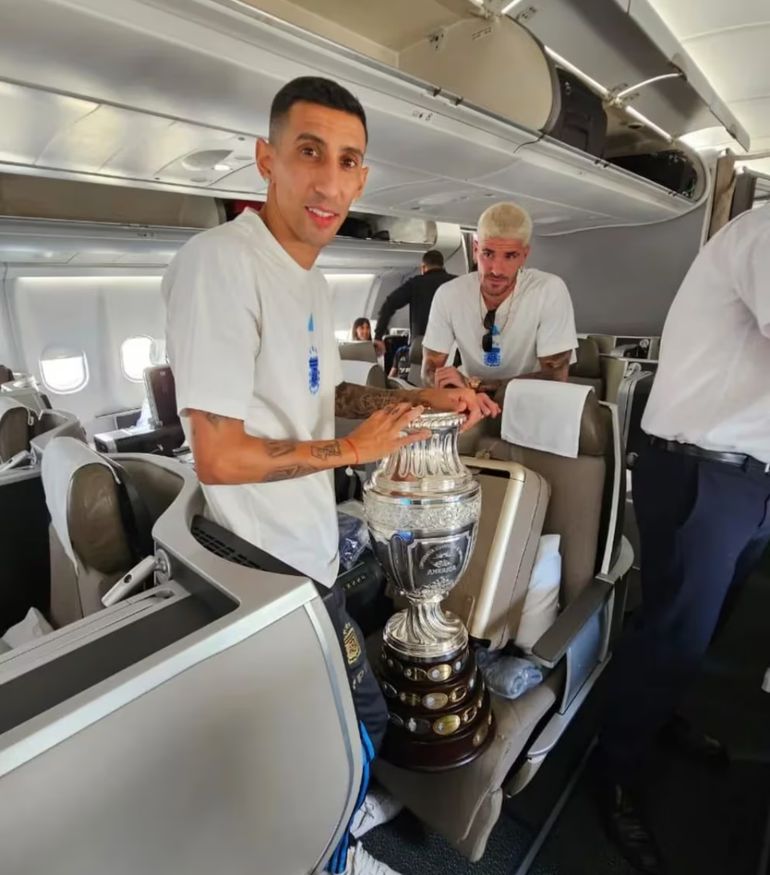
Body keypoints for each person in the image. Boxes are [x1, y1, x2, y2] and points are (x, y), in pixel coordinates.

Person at [163, 75, 498, 875]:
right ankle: (329, 853)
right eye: (308, 151)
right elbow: (218, 452)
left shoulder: (308, 279)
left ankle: (332, 837)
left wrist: (410, 397)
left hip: (307, 545)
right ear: (265, 160)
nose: (329, 179)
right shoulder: (221, 265)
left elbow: (323, 396)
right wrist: (352, 454)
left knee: (330, 732)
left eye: (348, 160)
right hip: (266, 562)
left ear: (362, 178)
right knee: (358, 724)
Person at [595, 205, 770, 875]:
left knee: (709, 623)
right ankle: (615, 774)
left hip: (749, 479)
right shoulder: (763, 232)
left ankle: (658, 712)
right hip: (703, 469)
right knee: (675, 631)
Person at [421, 202, 578, 393]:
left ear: (524, 255)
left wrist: (474, 385)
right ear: (476, 250)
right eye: (488, 254)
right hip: (472, 405)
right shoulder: (448, 294)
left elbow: (555, 376)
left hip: (531, 404)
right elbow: (429, 368)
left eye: (510, 256)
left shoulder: (548, 290)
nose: (496, 269)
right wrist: (451, 385)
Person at [372, 249, 455, 354]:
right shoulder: (456, 283)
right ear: (443, 266)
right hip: (450, 346)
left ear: (423, 268)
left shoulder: (415, 284)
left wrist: (378, 336)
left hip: (422, 347)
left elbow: (389, 304)